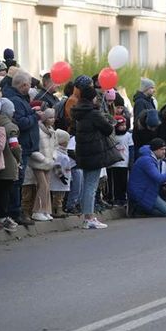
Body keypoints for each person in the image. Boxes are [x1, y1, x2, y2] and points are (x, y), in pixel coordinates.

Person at [71, 85, 122, 229]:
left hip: (83, 151)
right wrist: (111, 122)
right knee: (91, 186)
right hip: (95, 152)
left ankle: (87, 215)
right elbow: (107, 129)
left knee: (87, 184)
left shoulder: (78, 112)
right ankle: (89, 217)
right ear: (91, 98)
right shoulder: (93, 113)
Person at [4, 70, 40, 226]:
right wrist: (35, 116)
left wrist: (31, 111)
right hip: (21, 146)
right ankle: (15, 211)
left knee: (18, 179)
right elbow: (21, 123)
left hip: (25, 146)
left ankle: (16, 210)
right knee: (17, 180)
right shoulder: (16, 100)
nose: (30, 88)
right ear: (24, 85)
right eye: (29, 85)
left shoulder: (19, 99)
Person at [128, 138, 166, 217]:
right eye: (161, 149)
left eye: (165, 149)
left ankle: (153, 204)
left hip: (150, 187)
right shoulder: (146, 160)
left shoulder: (154, 158)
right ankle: (139, 209)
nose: (164, 152)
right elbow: (159, 178)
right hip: (142, 192)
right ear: (154, 150)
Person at [0, 98, 21, 231]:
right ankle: (3, 216)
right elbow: (14, 145)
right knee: (5, 191)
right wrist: (19, 157)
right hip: (8, 164)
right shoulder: (11, 127)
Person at [28, 108, 57, 221]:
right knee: (43, 185)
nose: (52, 119)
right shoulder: (37, 130)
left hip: (49, 162)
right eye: (50, 117)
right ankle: (37, 210)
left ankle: (46, 210)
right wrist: (44, 159)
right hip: (38, 162)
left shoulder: (52, 131)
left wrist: (53, 157)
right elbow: (34, 148)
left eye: (53, 117)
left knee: (47, 186)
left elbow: (55, 146)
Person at [107, 116, 134, 205]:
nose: (123, 127)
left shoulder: (128, 136)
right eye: (121, 125)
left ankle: (123, 198)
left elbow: (131, 149)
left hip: (124, 163)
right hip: (113, 164)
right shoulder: (112, 136)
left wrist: (131, 162)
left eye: (124, 125)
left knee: (124, 182)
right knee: (115, 182)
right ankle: (114, 198)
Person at [51, 129, 74, 218]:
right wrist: (61, 176)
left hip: (65, 178)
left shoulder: (64, 151)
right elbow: (56, 165)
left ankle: (58, 209)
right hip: (58, 179)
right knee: (57, 196)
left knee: (61, 196)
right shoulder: (56, 152)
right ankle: (56, 210)